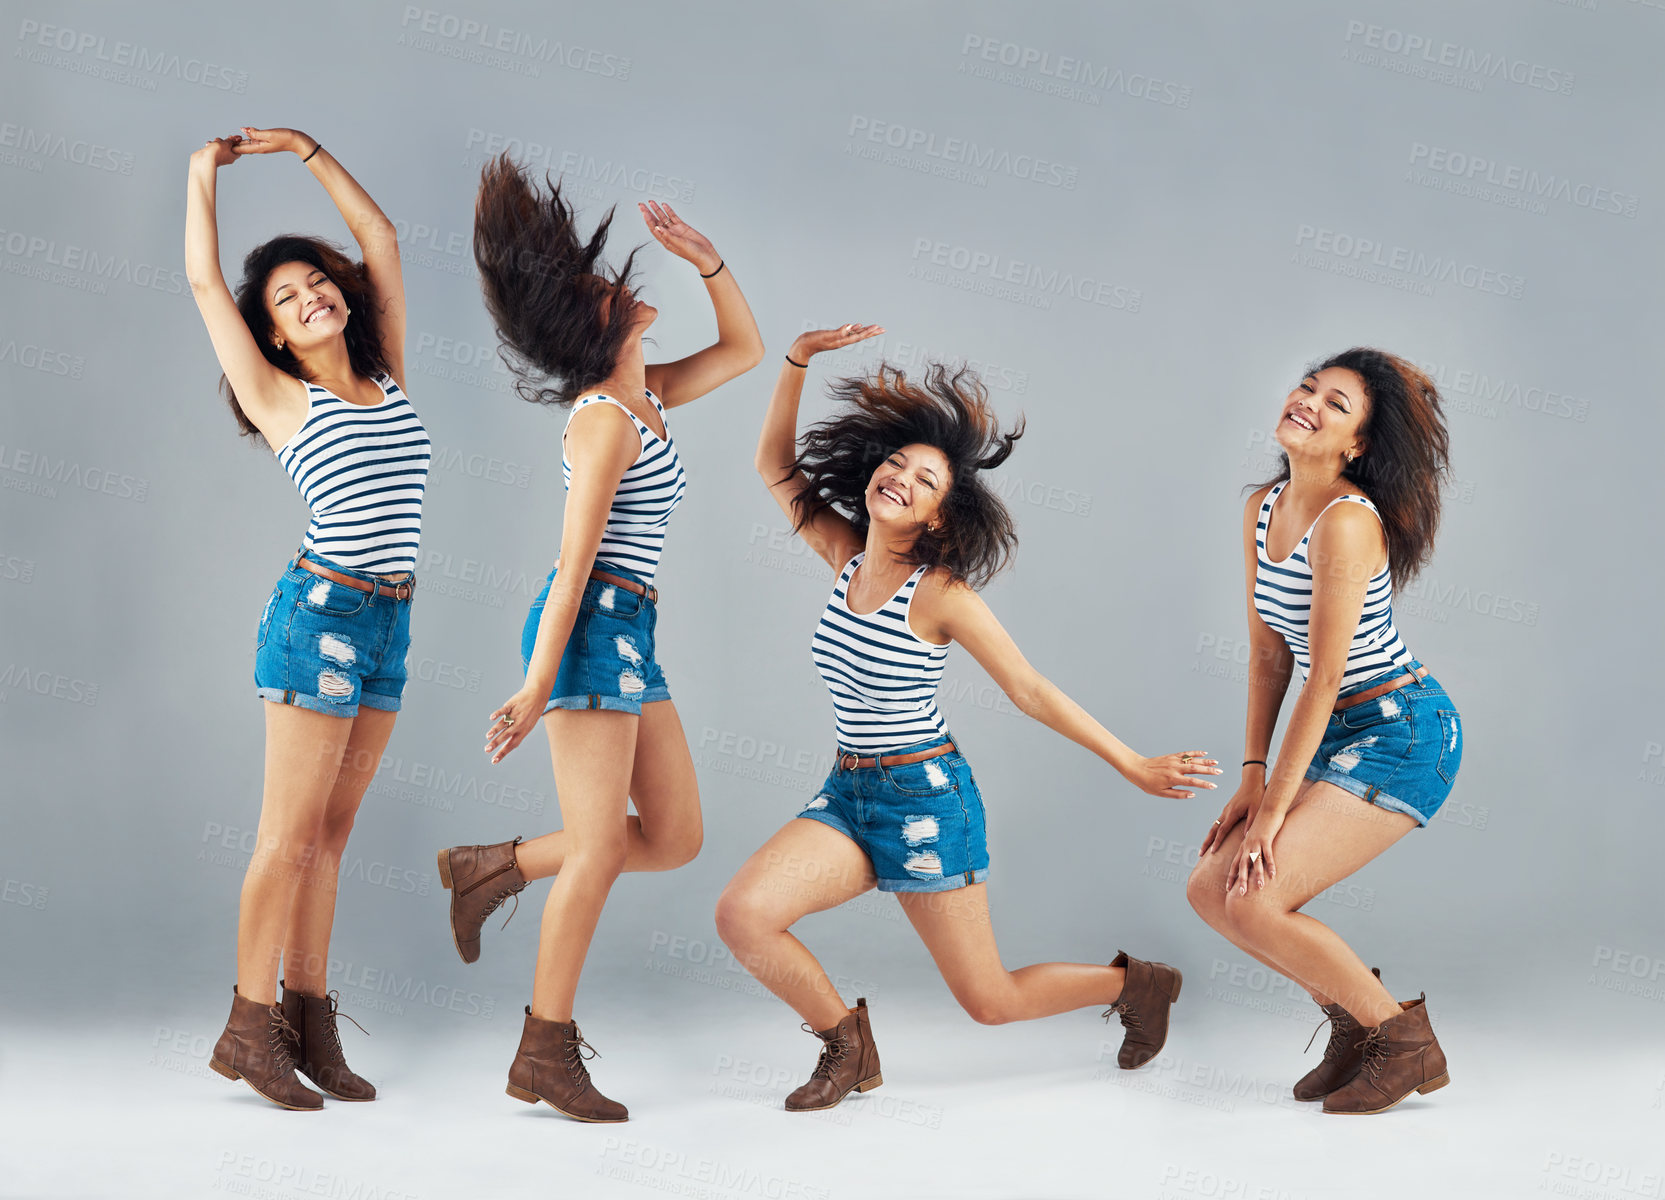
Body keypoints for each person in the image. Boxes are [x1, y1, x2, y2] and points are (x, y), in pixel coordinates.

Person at [714, 325, 1222, 1112]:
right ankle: (845, 1047)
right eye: (896, 464)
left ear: (940, 518)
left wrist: (1134, 763)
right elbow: (772, 466)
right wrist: (797, 360)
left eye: (923, 479)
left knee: (988, 1001)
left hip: (924, 800)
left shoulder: (941, 595)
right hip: (849, 793)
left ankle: (1136, 986)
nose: (899, 478)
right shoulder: (843, 551)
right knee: (743, 915)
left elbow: (1028, 688)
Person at [438, 157, 763, 1122]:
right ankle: (544, 1049)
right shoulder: (601, 424)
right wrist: (538, 682)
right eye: (603, 288)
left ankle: (488, 867)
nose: (622, 284)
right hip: (585, 629)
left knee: (672, 836)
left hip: (628, 629)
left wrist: (710, 262)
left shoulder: (648, 394)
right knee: (596, 850)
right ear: (595, 326)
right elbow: (571, 565)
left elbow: (743, 350)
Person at [186, 127, 428, 1110]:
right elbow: (207, 287)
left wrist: (311, 151)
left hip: (389, 626)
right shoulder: (280, 396)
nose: (310, 297)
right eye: (286, 299)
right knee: (286, 839)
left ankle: (309, 1018)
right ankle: (247, 1028)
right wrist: (203, 172)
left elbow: (384, 240)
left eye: (315, 282)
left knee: (330, 837)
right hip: (320, 617)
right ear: (276, 334)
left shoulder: (388, 376)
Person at [1186, 348, 1462, 1116]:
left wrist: (1273, 809)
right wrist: (1250, 775)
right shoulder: (1262, 509)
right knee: (1210, 890)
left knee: (1252, 896)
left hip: (1403, 730)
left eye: (1335, 404)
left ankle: (1404, 1043)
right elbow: (1270, 652)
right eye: (1307, 387)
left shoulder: (1347, 524)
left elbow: (1325, 674)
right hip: (1338, 730)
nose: (1307, 402)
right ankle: (1356, 1022)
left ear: (1357, 446)